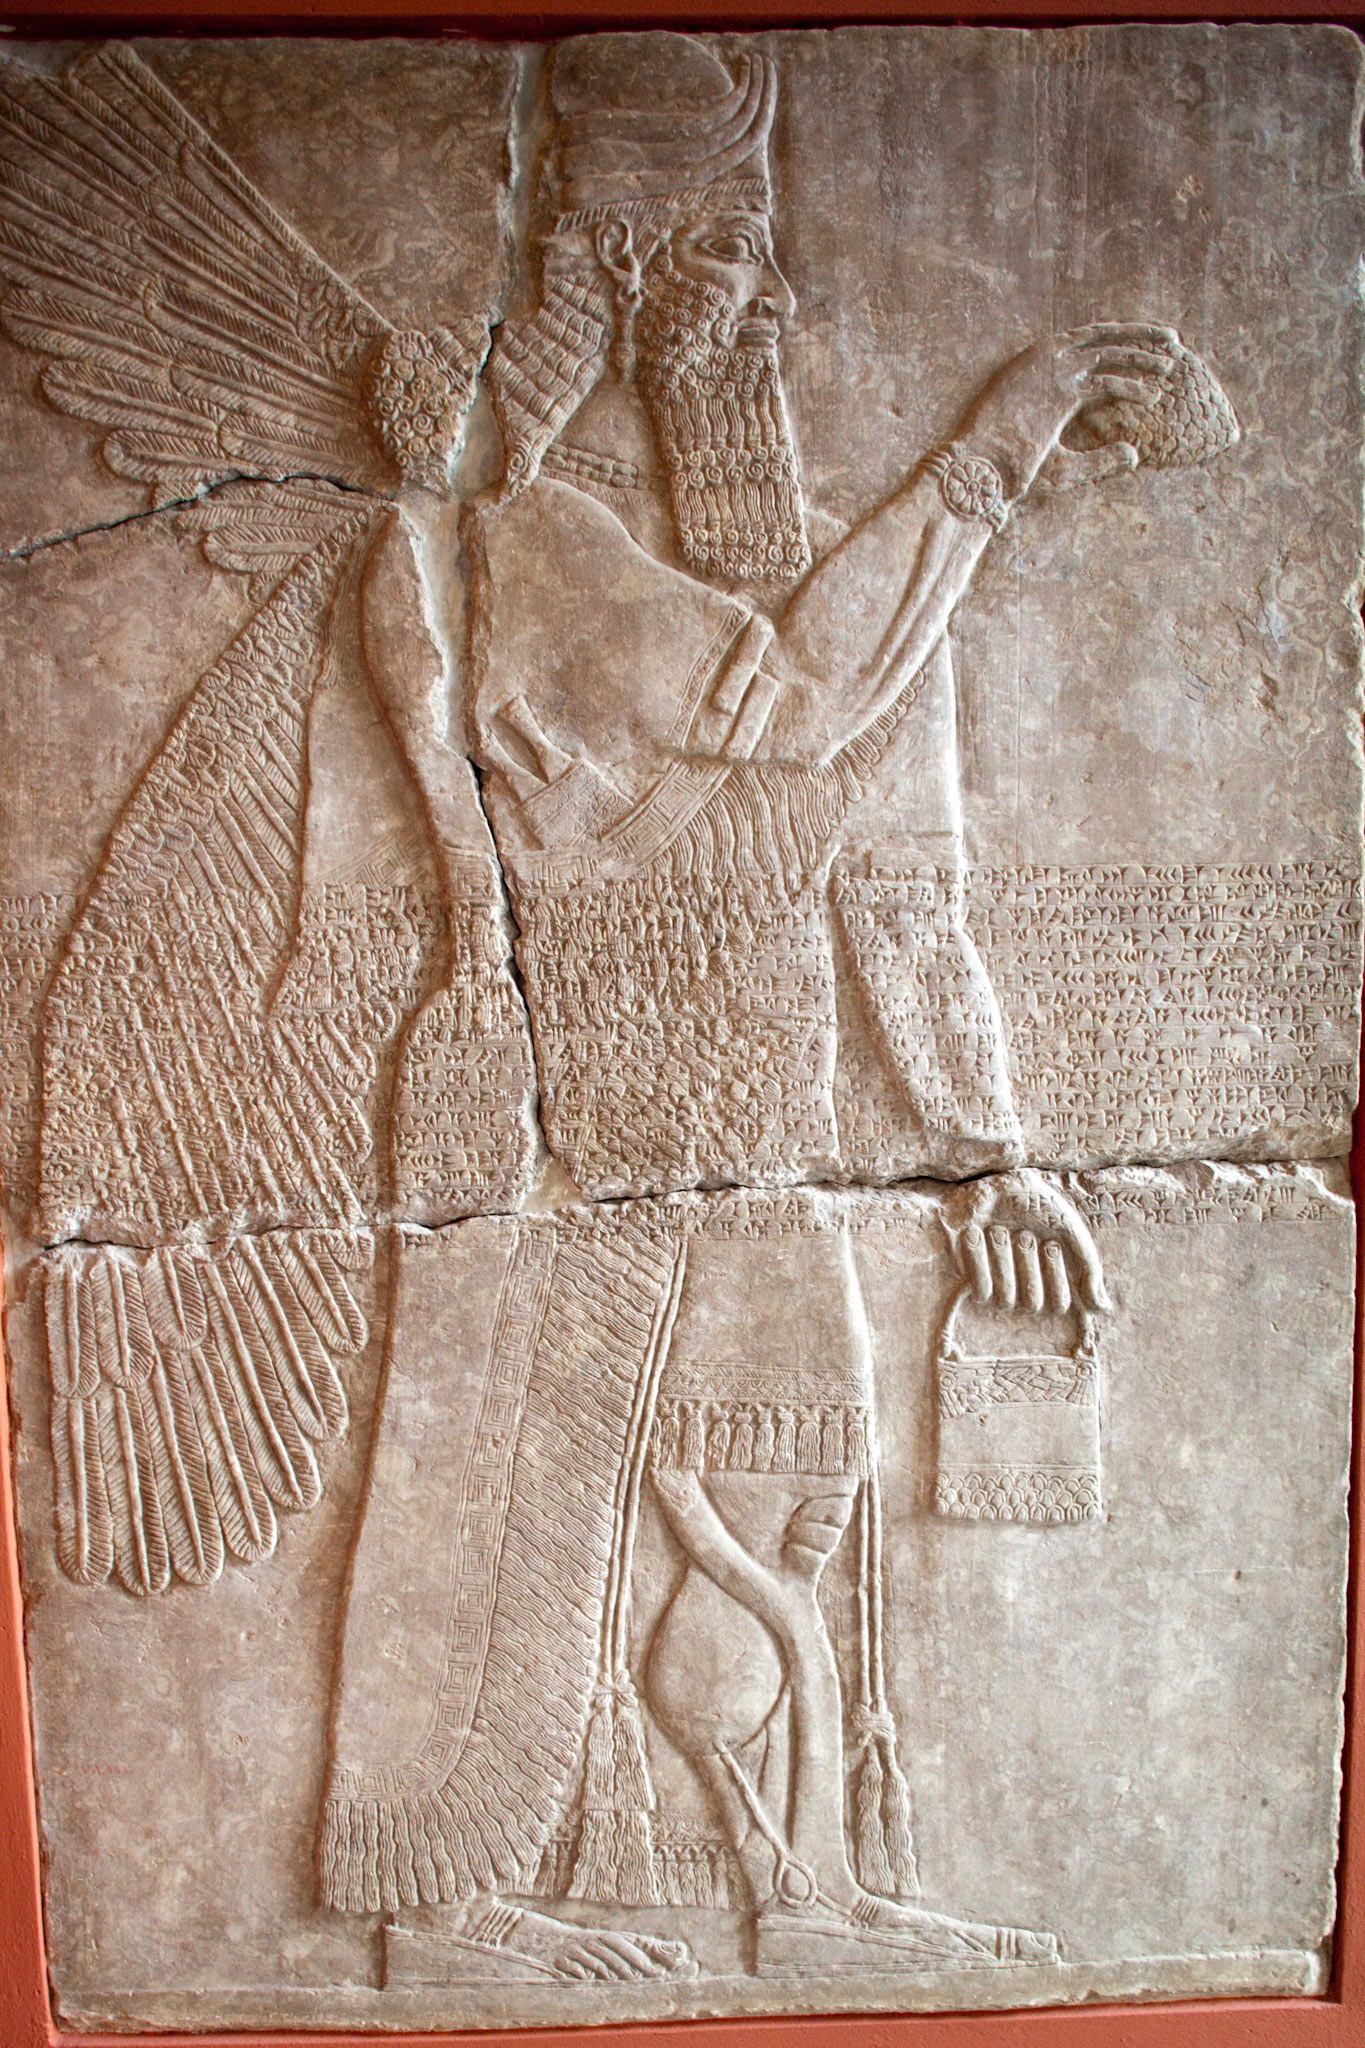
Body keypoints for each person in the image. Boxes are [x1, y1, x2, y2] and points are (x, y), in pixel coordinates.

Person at [323, 31, 1127, 1982]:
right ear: (599, 279)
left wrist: (991, 1152)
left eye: (755, 271)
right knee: (537, 1526)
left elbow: (900, 902)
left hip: (764, 1134)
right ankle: (443, 1903)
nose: (755, 317)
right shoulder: (513, 547)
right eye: (705, 267)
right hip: (577, 1140)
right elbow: (793, 699)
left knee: (790, 1486)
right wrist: (989, 451)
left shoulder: (826, 585)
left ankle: (795, 1892)